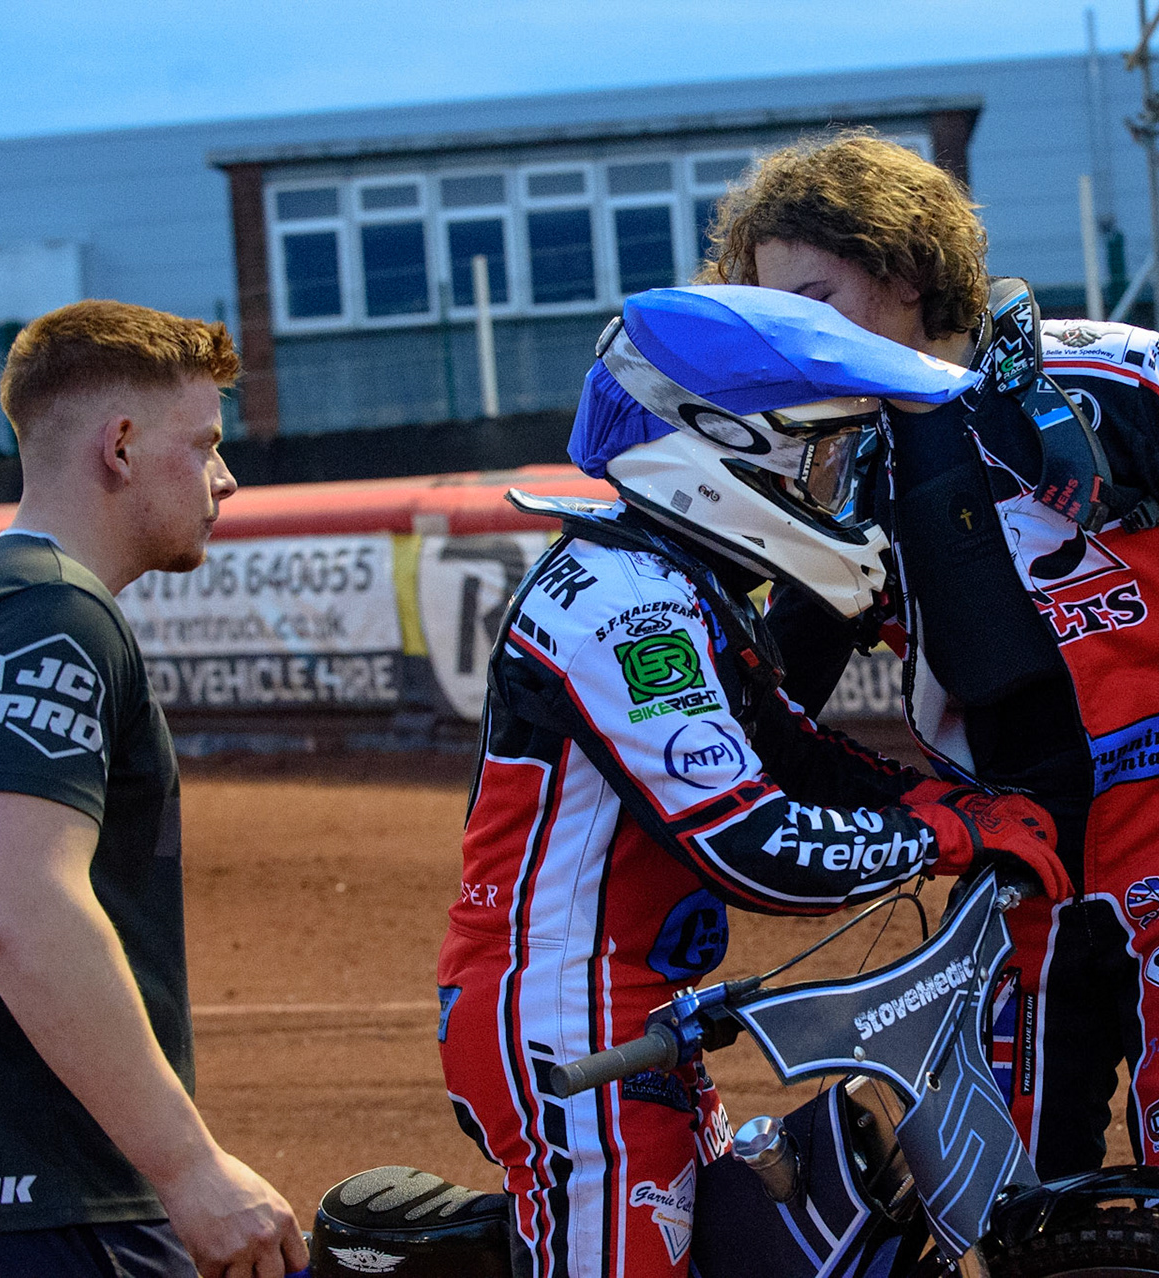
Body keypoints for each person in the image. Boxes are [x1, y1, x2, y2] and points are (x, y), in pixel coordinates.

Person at [703, 132, 1159, 1254]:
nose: (797, 335)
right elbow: (777, 692)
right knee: (1009, 1208)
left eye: (814, 300)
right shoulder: (840, 466)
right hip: (1018, 861)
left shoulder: (1122, 376)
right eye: (774, 311)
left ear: (903, 268)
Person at [436, 284, 1071, 1278]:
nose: (838, 492)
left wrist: (938, 802)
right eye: (822, 460)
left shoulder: (673, 579)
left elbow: (793, 753)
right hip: (566, 1022)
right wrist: (946, 836)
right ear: (719, 446)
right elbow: (755, 845)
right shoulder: (622, 604)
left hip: (629, 1009)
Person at [0, 301, 307, 1278]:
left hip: (6, 1195)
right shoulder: (49, 613)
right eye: (204, 444)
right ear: (119, 446)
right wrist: (190, 1168)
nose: (225, 478)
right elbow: (29, 913)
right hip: (54, 1193)